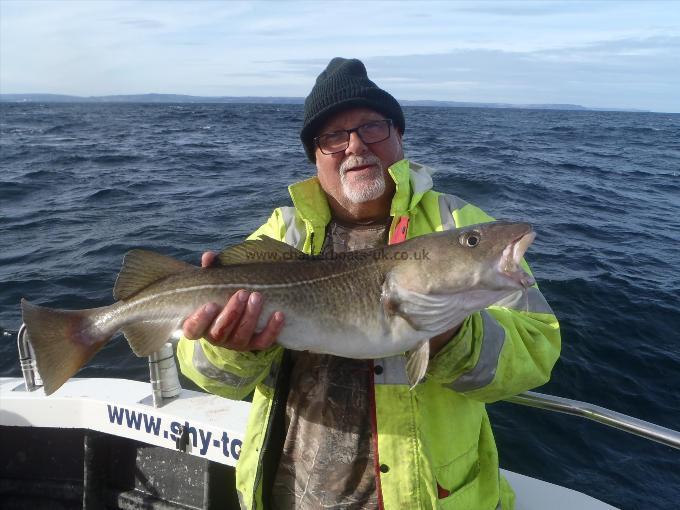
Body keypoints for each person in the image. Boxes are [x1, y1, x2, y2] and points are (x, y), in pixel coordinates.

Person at [177, 57, 561, 510]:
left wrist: (451, 333)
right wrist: (231, 346)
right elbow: (206, 375)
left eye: (372, 128)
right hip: (286, 496)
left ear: (399, 136)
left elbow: (537, 353)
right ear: (315, 156)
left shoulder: (457, 222)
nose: (355, 145)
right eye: (333, 137)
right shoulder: (279, 236)